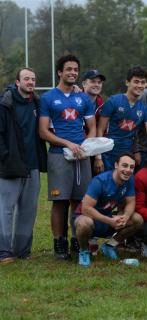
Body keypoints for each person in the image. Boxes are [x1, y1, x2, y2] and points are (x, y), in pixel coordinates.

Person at [39, 54, 96, 260]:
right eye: (69, 69)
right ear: (60, 72)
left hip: (82, 156)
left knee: (80, 201)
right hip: (58, 155)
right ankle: (59, 243)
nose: (73, 73)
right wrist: (68, 144)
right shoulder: (47, 98)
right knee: (60, 201)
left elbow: (92, 127)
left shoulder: (83, 99)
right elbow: (44, 132)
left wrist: (85, 145)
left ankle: (77, 240)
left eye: (75, 70)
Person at [0, 67, 47, 264]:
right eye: (26, 79)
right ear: (17, 82)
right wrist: (5, 157)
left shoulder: (37, 103)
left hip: (33, 165)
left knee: (28, 210)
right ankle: (4, 252)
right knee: (5, 210)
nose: (30, 82)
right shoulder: (5, 104)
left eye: (33, 79)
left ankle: (22, 251)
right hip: (11, 165)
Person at [73, 153, 143, 266]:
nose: (128, 170)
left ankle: (110, 246)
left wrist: (125, 217)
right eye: (124, 166)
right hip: (88, 218)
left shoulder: (129, 180)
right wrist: (109, 221)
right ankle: (84, 251)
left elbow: (131, 202)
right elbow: (86, 209)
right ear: (116, 165)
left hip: (108, 219)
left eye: (131, 167)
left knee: (137, 219)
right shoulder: (100, 181)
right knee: (84, 223)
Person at [95, 66, 147, 172]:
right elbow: (100, 130)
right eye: (136, 82)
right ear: (127, 82)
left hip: (128, 156)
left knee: (125, 186)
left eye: (142, 82)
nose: (139, 85)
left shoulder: (144, 108)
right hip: (108, 154)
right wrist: (98, 157)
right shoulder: (113, 101)